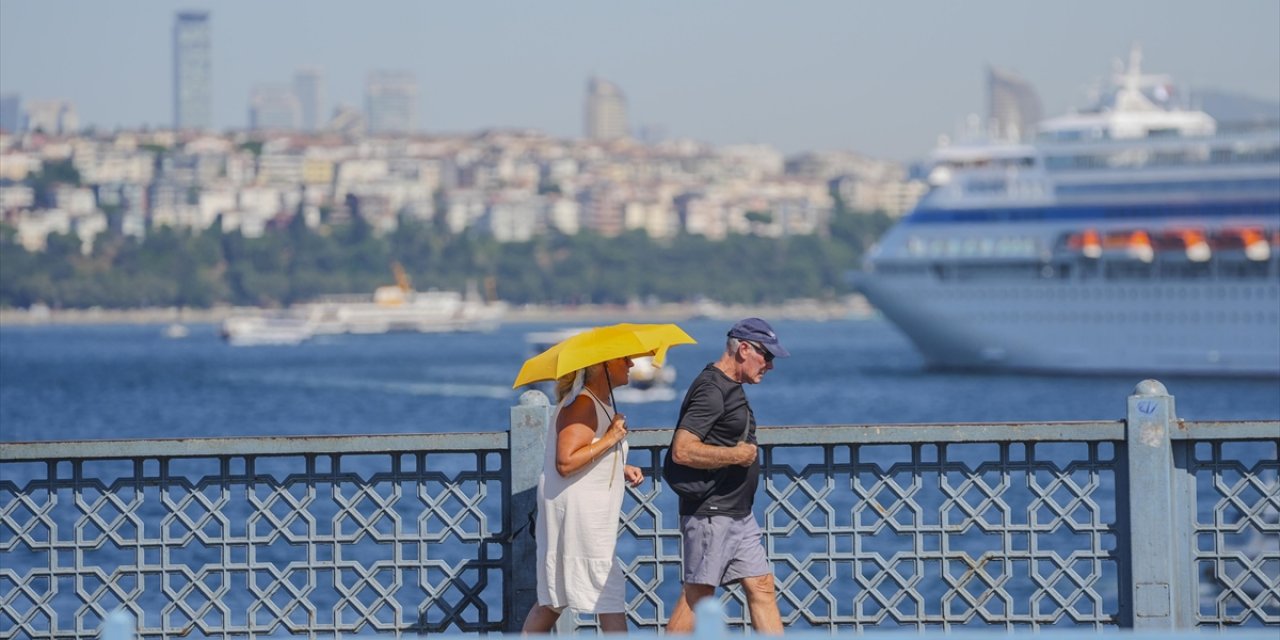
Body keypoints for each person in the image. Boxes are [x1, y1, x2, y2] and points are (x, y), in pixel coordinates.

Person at [663, 318, 789, 634]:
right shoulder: (711, 389)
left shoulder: (729, 387)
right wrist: (736, 455)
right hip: (711, 514)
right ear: (744, 348)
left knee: (761, 586)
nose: (770, 366)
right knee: (698, 596)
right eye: (767, 356)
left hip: (737, 513)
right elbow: (682, 449)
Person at [523, 355, 645, 634]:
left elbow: (586, 452)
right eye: (624, 360)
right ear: (602, 366)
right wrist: (611, 439)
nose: (632, 365)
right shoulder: (582, 404)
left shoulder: (595, 403)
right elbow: (565, 462)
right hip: (580, 515)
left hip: (585, 512)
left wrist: (619, 466)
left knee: (555, 598)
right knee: (606, 591)